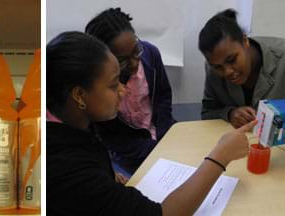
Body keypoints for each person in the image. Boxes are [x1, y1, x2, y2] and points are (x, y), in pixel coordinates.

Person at [47, 31, 257, 215]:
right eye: (113, 86)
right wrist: (220, 156)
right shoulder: (65, 166)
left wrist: (106, 178)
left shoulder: (73, 123)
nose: (123, 90)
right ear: (79, 96)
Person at [199, 9, 285, 148]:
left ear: (245, 41)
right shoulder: (213, 67)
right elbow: (208, 112)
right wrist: (230, 113)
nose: (227, 72)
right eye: (218, 67)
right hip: (237, 151)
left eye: (232, 60)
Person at [85, 8, 176, 174]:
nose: (134, 63)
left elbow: (163, 97)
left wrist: (165, 139)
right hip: (129, 153)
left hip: (163, 137)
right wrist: (152, 150)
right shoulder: (98, 87)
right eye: (122, 61)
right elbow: (111, 137)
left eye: (136, 51)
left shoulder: (151, 54)